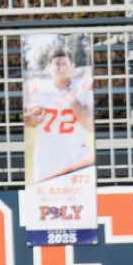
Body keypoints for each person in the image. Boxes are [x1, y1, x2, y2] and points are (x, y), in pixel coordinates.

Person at [24, 44, 94, 183]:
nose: (60, 67)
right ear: (49, 67)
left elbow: (90, 126)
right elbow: (24, 119)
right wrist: (29, 120)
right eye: (56, 63)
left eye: (64, 63)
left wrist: (73, 101)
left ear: (72, 67)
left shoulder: (81, 88)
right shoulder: (37, 88)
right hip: (46, 159)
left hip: (77, 158)